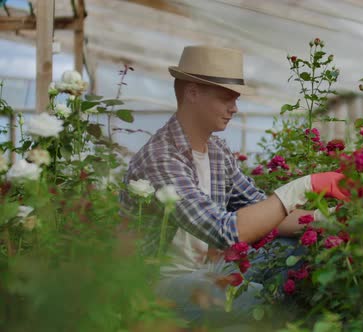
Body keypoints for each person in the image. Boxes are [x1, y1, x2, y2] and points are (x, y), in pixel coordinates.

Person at [120, 45, 348, 324]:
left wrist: (335, 219)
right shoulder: (161, 157)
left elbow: (265, 214)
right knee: (251, 298)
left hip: (209, 268)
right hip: (161, 284)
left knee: (296, 248)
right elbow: (225, 231)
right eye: (226, 98)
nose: (234, 108)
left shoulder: (216, 151)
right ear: (192, 93)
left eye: (236, 99)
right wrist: (306, 185)